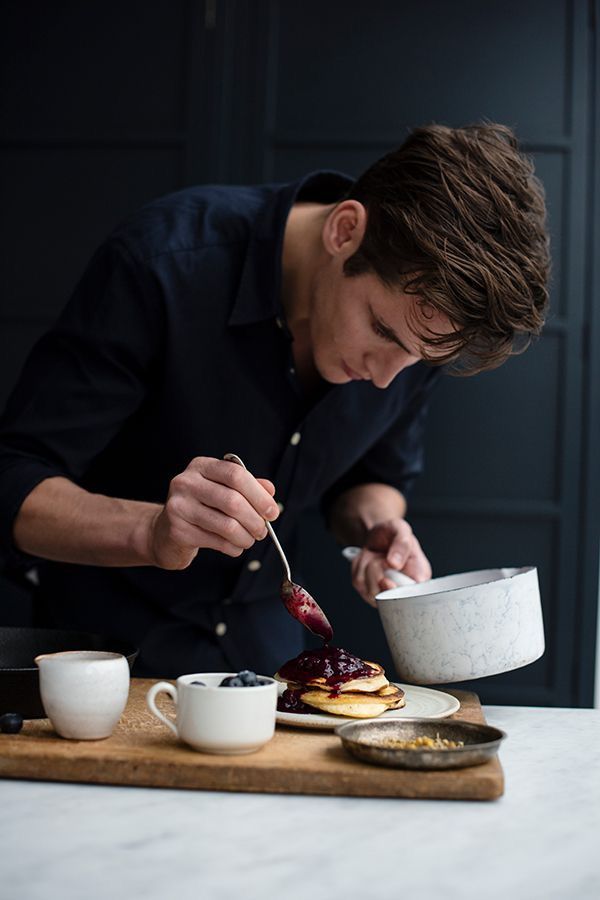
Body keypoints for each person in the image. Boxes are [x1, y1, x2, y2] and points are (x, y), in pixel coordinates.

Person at [0, 123, 549, 677]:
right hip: (106, 668)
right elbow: (12, 480)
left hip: (269, 669)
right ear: (345, 230)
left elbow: (372, 478)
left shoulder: (417, 332)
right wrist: (152, 531)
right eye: (382, 331)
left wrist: (377, 529)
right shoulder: (163, 263)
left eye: (416, 360)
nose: (388, 380)